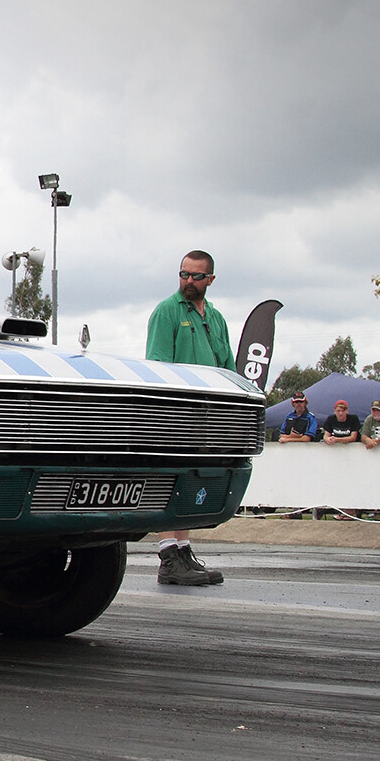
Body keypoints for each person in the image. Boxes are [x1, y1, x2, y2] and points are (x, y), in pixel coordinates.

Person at [145, 250, 231, 586]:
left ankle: (183, 550)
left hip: (209, 411)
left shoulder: (217, 317)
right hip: (179, 411)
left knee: (194, 479)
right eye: (183, 275)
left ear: (210, 279)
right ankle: (168, 556)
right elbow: (157, 366)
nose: (188, 282)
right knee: (175, 479)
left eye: (196, 276)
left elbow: (226, 365)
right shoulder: (167, 311)